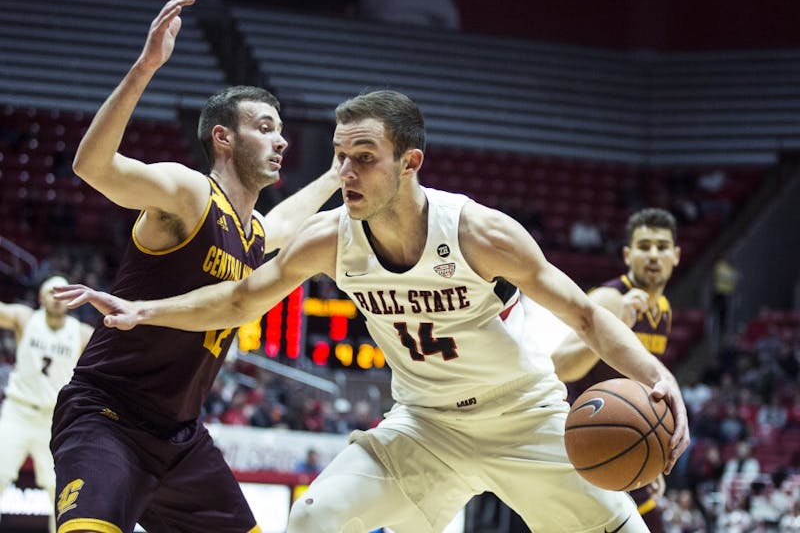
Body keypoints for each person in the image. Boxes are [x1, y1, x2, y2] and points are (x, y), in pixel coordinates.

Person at [56, 89, 690, 532]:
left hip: (525, 417)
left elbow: (583, 313)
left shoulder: (478, 231)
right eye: (342, 158)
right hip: (424, 425)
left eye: (365, 158)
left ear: (410, 162)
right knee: (311, 519)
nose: (349, 172)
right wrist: (149, 309)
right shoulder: (332, 236)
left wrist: (659, 379)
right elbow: (242, 298)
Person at [48, 0, 340, 533]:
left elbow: (280, 228)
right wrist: (146, 67)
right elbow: (92, 165)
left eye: (280, 130)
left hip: (182, 439)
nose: (281, 141)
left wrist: (334, 176)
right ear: (223, 138)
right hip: (108, 417)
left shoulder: (250, 233)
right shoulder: (190, 193)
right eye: (265, 127)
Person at [551, 207, 682, 533]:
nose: (653, 255)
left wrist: (652, 456)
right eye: (644, 245)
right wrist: (617, 324)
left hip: (624, 440)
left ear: (676, 255)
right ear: (627, 254)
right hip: (587, 438)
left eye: (662, 246)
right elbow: (560, 365)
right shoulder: (610, 299)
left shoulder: (662, 311)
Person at [0, 274, 93, 533]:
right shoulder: (25, 318)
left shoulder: (82, 333)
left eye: (63, 293)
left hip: (54, 420)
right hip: (17, 411)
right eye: (52, 292)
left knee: (60, 492)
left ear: (71, 300)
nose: (57, 298)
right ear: (41, 297)